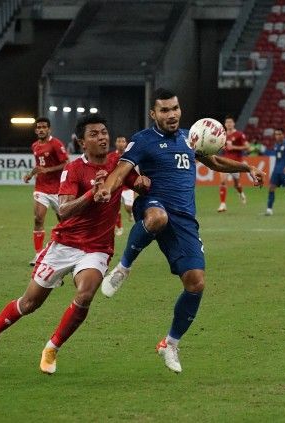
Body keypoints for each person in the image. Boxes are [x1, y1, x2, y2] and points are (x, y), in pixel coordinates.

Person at [94, 88, 265, 373]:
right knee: (158, 217)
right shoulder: (143, 140)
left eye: (175, 108)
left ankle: (170, 344)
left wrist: (246, 167)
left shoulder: (192, 137)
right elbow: (121, 171)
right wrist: (106, 189)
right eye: (164, 110)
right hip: (153, 204)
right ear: (154, 114)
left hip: (185, 220)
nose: (171, 114)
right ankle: (123, 267)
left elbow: (215, 161)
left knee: (196, 282)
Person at [0, 114, 149, 374]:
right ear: (82, 143)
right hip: (64, 245)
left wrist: (143, 183)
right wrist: (93, 193)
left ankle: (52, 347)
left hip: (97, 248)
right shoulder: (74, 170)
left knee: (86, 292)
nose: (102, 137)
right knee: (30, 303)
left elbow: (135, 182)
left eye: (104, 132)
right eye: (94, 134)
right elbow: (65, 211)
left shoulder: (118, 163)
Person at [23, 117, 70, 266]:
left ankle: (67, 249)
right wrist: (30, 175)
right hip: (41, 188)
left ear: (49, 129)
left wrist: (48, 170)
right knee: (38, 219)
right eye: (39, 127)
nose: (41, 129)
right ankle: (38, 255)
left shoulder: (56, 144)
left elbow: (66, 163)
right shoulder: (35, 146)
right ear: (36, 130)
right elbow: (39, 166)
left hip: (57, 190)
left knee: (64, 222)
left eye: (44, 127)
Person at [217, 115, 250, 212]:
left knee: (237, 185)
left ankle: (241, 193)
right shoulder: (222, 135)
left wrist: (234, 147)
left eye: (230, 122)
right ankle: (223, 204)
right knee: (222, 181)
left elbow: (248, 147)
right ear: (225, 124)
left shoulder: (239, 134)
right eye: (227, 122)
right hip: (225, 162)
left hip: (236, 163)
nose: (229, 124)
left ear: (234, 123)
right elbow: (220, 147)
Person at [108, 136, 135, 235]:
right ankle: (119, 227)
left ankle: (130, 213)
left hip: (127, 187)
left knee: (128, 207)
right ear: (115, 143)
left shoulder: (130, 155)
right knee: (115, 208)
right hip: (115, 186)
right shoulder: (110, 156)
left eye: (123, 141)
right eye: (119, 141)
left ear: (126, 143)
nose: (121, 143)